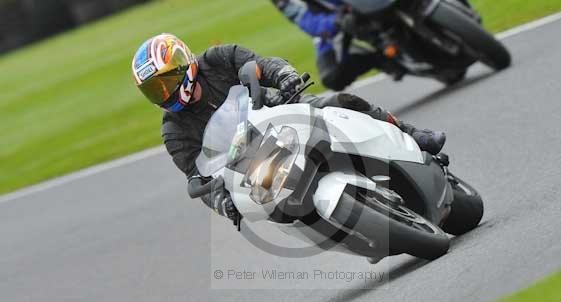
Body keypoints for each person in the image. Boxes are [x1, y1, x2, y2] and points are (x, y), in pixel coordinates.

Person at [131, 33, 445, 222]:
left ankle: (413, 135)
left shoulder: (218, 58)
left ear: (183, 65)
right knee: (275, 212)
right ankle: (341, 228)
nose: (164, 94)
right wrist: (221, 203)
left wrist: (285, 75)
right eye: (154, 91)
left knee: (340, 102)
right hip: (252, 162)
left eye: (165, 83)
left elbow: (260, 64)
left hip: (282, 110)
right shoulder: (173, 129)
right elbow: (196, 177)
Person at [271, 0, 392, 91]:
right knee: (332, 76)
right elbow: (303, 19)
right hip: (339, 19)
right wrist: (336, 20)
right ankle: (383, 59)